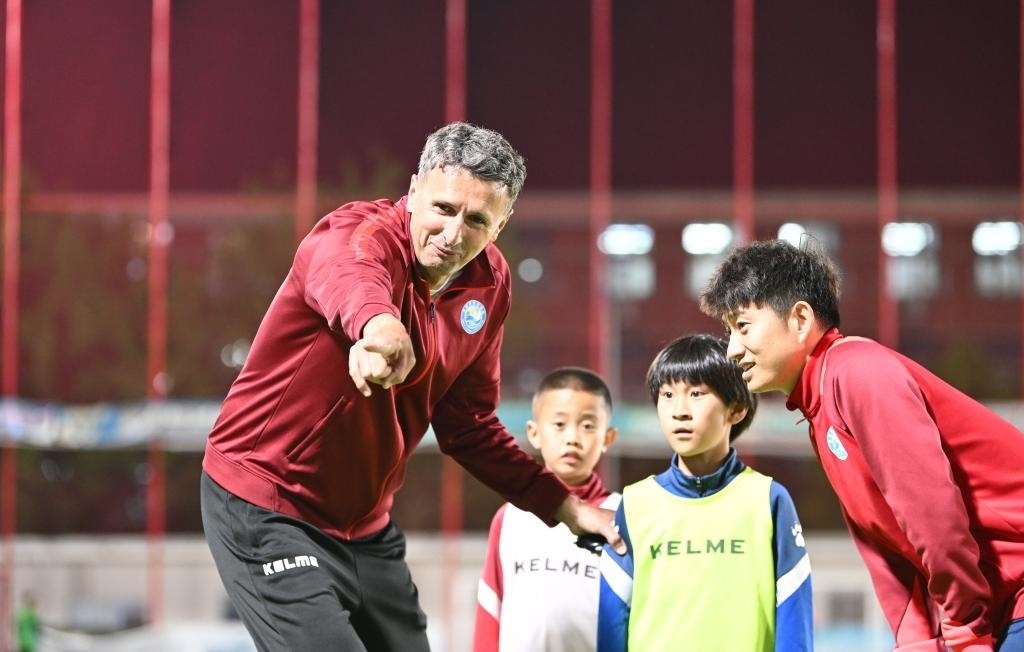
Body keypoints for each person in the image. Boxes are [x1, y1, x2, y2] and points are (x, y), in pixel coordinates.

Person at [200, 122, 622, 652]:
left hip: (365, 528)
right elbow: (352, 275)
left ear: (502, 223)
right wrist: (380, 328)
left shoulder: (490, 284)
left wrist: (565, 507)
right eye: (443, 208)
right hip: (267, 504)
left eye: (477, 220)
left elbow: (469, 426)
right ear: (415, 189)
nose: (453, 234)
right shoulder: (356, 235)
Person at [699, 238, 1024, 652]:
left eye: (743, 327)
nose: (732, 349)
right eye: (728, 331)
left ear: (800, 319)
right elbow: (885, 546)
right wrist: (917, 641)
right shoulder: (821, 409)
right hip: (999, 605)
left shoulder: (859, 373)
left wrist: (964, 626)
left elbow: (932, 510)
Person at [598, 334, 813, 652]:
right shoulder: (635, 503)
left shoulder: (768, 499)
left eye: (696, 393)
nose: (679, 410)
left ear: (736, 409)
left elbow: (794, 611)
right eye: (667, 394)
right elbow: (612, 619)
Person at [473, 366, 621, 652]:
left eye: (588, 425)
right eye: (559, 424)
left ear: (608, 438)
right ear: (534, 433)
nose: (572, 437)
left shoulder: (621, 515)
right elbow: (490, 605)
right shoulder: (510, 517)